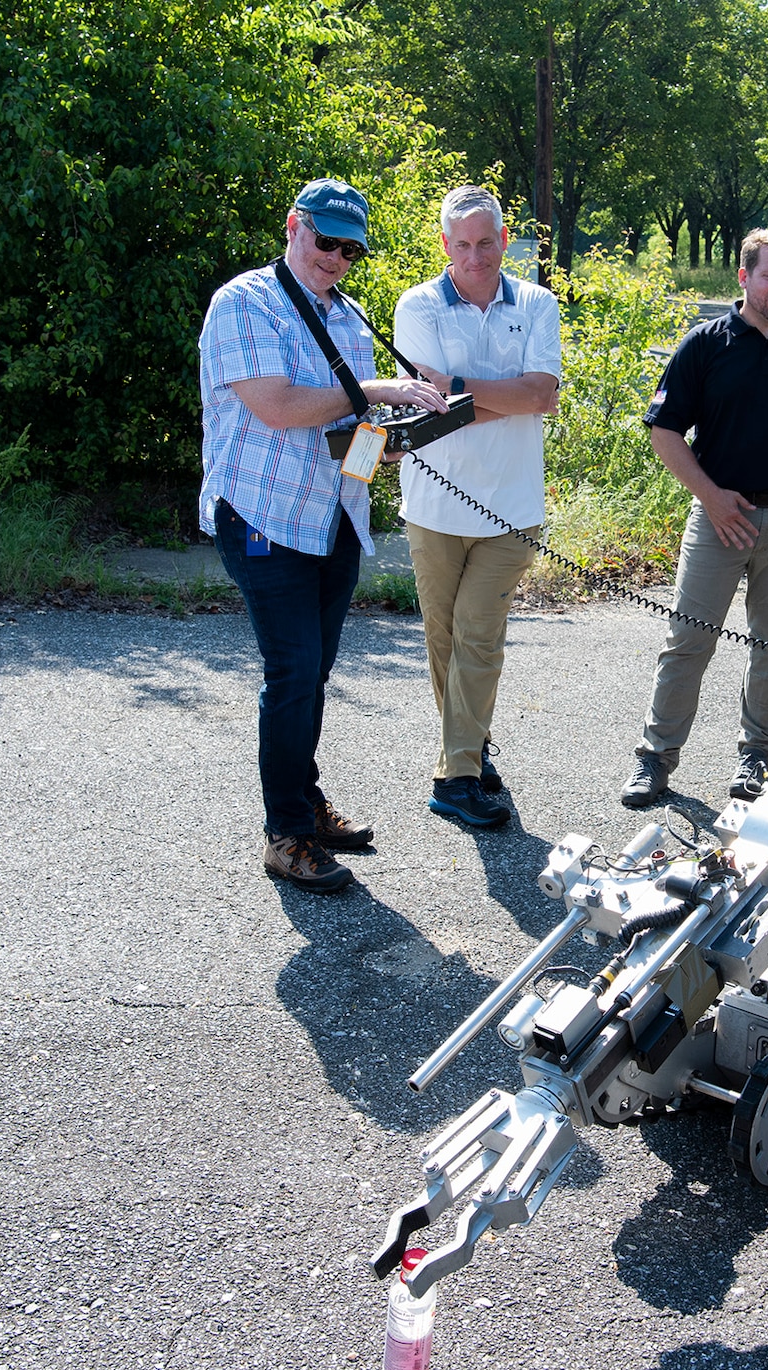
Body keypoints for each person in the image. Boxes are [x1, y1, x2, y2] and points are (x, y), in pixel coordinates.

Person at [198, 179, 446, 893]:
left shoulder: (347, 315)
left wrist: (387, 444)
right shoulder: (244, 303)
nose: (336, 257)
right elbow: (276, 407)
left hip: (333, 515)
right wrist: (382, 393)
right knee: (293, 672)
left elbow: (341, 429)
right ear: (293, 226)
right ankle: (285, 834)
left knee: (314, 672)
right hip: (261, 515)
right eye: (326, 240)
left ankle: (304, 806)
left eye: (350, 248)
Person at [620, 228, 768, 809]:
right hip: (719, 516)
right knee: (687, 640)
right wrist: (710, 496)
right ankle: (655, 760)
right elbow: (664, 430)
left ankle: (756, 755)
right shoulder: (706, 344)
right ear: (744, 277)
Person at [391, 186, 560, 830]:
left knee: (478, 637)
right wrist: (505, 395)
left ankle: (455, 780)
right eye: (461, 244)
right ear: (445, 246)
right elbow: (425, 407)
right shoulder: (419, 305)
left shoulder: (537, 303)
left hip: (512, 507)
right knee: (445, 639)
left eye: (486, 242)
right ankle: (470, 749)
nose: (475, 256)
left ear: (503, 239)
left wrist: (457, 391)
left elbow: (541, 395)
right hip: (433, 503)